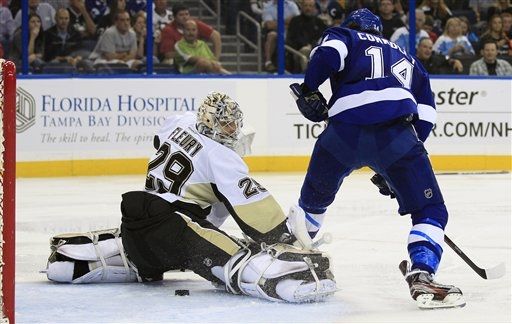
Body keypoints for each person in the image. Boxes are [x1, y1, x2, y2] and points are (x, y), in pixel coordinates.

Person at [43, 92, 337, 304]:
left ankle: (79, 258)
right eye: (225, 124)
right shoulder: (221, 156)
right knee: (239, 260)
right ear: (210, 122)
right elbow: (255, 210)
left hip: (136, 222)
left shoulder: (179, 121)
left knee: (184, 228)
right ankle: (288, 278)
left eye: (234, 124)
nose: (232, 130)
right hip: (176, 229)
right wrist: (285, 238)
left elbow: (161, 143)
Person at [289, 8, 465, 309]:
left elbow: (327, 56)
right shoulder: (410, 59)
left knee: (312, 206)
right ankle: (422, 271)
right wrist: (398, 165)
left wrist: (308, 89)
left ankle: (288, 260)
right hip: (396, 139)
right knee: (431, 210)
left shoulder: (344, 35)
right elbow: (426, 116)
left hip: (341, 136)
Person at [286, 0, 328, 72]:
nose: (308, 8)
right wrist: (305, 45)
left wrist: (312, 45)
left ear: (314, 8)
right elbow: (292, 38)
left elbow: (322, 38)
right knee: (305, 51)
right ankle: (306, 75)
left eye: (310, 6)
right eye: (306, 5)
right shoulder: (295, 21)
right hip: (297, 52)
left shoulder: (319, 22)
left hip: (316, 49)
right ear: (301, 7)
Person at [261, 0, 300, 72]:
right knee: (271, 35)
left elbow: (298, 21)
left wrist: (278, 22)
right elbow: (270, 25)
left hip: (292, 34)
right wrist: (286, 22)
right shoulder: (268, 7)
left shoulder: (292, 5)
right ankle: (268, 62)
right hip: (277, 34)